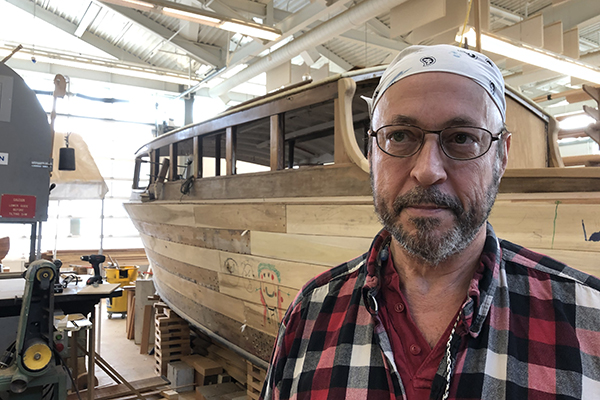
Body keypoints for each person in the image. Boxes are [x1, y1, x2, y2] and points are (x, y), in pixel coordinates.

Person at [259, 44, 600, 400]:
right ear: (373, 150)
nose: (427, 171)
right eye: (400, 136)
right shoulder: (310, 315)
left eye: (462, 138)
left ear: (501, 156)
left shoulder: (588, 321)